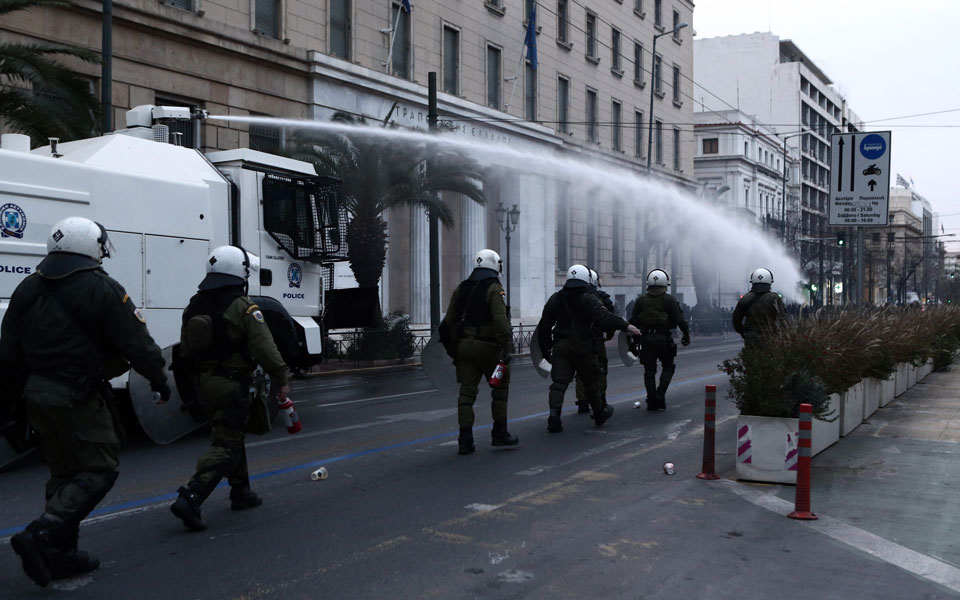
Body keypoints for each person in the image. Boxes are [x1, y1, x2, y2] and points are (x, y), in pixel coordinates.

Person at [0, 217, 169, 587]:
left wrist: (13, 400)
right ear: (93, 246)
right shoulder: (102, 288)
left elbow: (7, 350)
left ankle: (61, 556)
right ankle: (42, 534)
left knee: (63, 473)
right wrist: (160, 379)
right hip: (75, 394)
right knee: (99, 469)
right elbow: (137, 344)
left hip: (36, 395)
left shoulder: (27, 288)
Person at [169, 245, 289, 531]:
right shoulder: (243, 306)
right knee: (227, 444)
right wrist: (282, 377)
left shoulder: (194, 305)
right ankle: (192, 495)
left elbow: (184, 350)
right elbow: (265, 347)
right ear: (240, 272)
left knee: (231, 434)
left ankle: (241, 492)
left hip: (204, 384)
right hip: (230, 384)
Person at [538, 264, 641, 433]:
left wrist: (546, 350)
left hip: (561, 346)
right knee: (591, 382)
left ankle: (554, 418)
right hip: (583, 346)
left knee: (558, 384)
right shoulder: (588, 298)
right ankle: (599, 414)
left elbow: (544, 326)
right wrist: (625, 326)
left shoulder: (556, 298)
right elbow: (604, 317)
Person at [440, 249, 519, 455]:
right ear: (494, 264)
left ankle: (465, 440)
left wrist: (453, 350)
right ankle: (499, 434)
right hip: (488, 347)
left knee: (466, 393)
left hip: (464, 348)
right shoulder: (494, 289)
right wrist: (506, 349)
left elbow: (447, 323)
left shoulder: (461, 288)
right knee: (500, 388)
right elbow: (501, 322)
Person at [630, 269, 690, 411]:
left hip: (646, 339)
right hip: (663, 338)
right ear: (665, 284)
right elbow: (680, 319)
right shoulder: (668, 299)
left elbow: (633, 322)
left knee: (649, 370)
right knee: (668, 366)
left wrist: (633, 342)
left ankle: (651, 400)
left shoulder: (641, 300)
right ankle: (660, 394)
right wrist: (686, 335)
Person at [575, 269, 615, 415]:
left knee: (581, 370)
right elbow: (610, 317)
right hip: (596, 339)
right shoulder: (601, 298)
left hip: (578, 338)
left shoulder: (575, 297)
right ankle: (601, 399)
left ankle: (582, 401)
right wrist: (609, 335)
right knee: (600, 369)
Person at [732, 268, 786, 348]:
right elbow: (783, 319)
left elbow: (736, 319)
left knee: (751, 359)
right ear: (770, 282)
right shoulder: (775, 298)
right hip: (770, 335)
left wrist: (743, 332)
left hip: (751, 337)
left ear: (752, 282)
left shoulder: (745, 299)